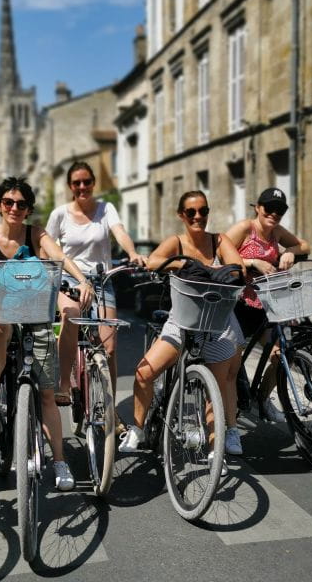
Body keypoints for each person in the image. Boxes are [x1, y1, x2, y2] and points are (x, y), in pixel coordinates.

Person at [0, 177, 93, 491]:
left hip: (33, 303)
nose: (14, 208)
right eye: (8, 202)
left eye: (21, 204)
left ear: (28, 209)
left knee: (47, 395)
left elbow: (59, 258)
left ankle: (60, 461)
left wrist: (82, 280)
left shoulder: (36, 233)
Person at [119, 191, 246, 461]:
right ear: (181, 215)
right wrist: (184, 264)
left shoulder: (219, 240)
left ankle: (215, 453)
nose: (198, 216)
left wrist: (217, 269)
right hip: (181, 323)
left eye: (203, 211)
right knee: (143, 373)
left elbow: (238, 268)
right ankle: (138, 429)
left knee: (216, 390)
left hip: (216, 325)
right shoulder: (176, 241)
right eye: (191, 212)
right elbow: (154, 261)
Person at [46, 161, 147, 431]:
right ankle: (64, 384)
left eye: (87, 182)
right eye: (76, 183)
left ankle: (110, 410)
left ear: (93, 183)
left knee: (109, 348)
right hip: (70, 279)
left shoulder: (106, 209)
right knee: (71, 317)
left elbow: (119, 232)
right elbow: (49, 248)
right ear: (70, 186)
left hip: (102, 281)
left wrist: (132, 252)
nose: (82, 187)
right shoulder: (59, 214)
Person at [226, 188, 310, 441]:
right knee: (231, 366)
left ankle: (263, 400)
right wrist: (251, 262)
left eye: (280, 210)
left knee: (281, 355)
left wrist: (290, 252)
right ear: (257, 207)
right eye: (269, 208)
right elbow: (220, 255)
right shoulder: (245, 228)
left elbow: (304, 245)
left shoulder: (277, 232)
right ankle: (229, 426)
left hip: (267, 306)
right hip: (238, 305)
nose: (274, 213)